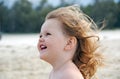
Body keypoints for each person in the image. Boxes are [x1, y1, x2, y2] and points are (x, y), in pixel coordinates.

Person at [37, 5, 103, 79]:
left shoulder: (70, 74)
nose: (41, 39)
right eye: (40, 35)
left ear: (69, 43)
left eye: (48, 34)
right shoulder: (56, 71)